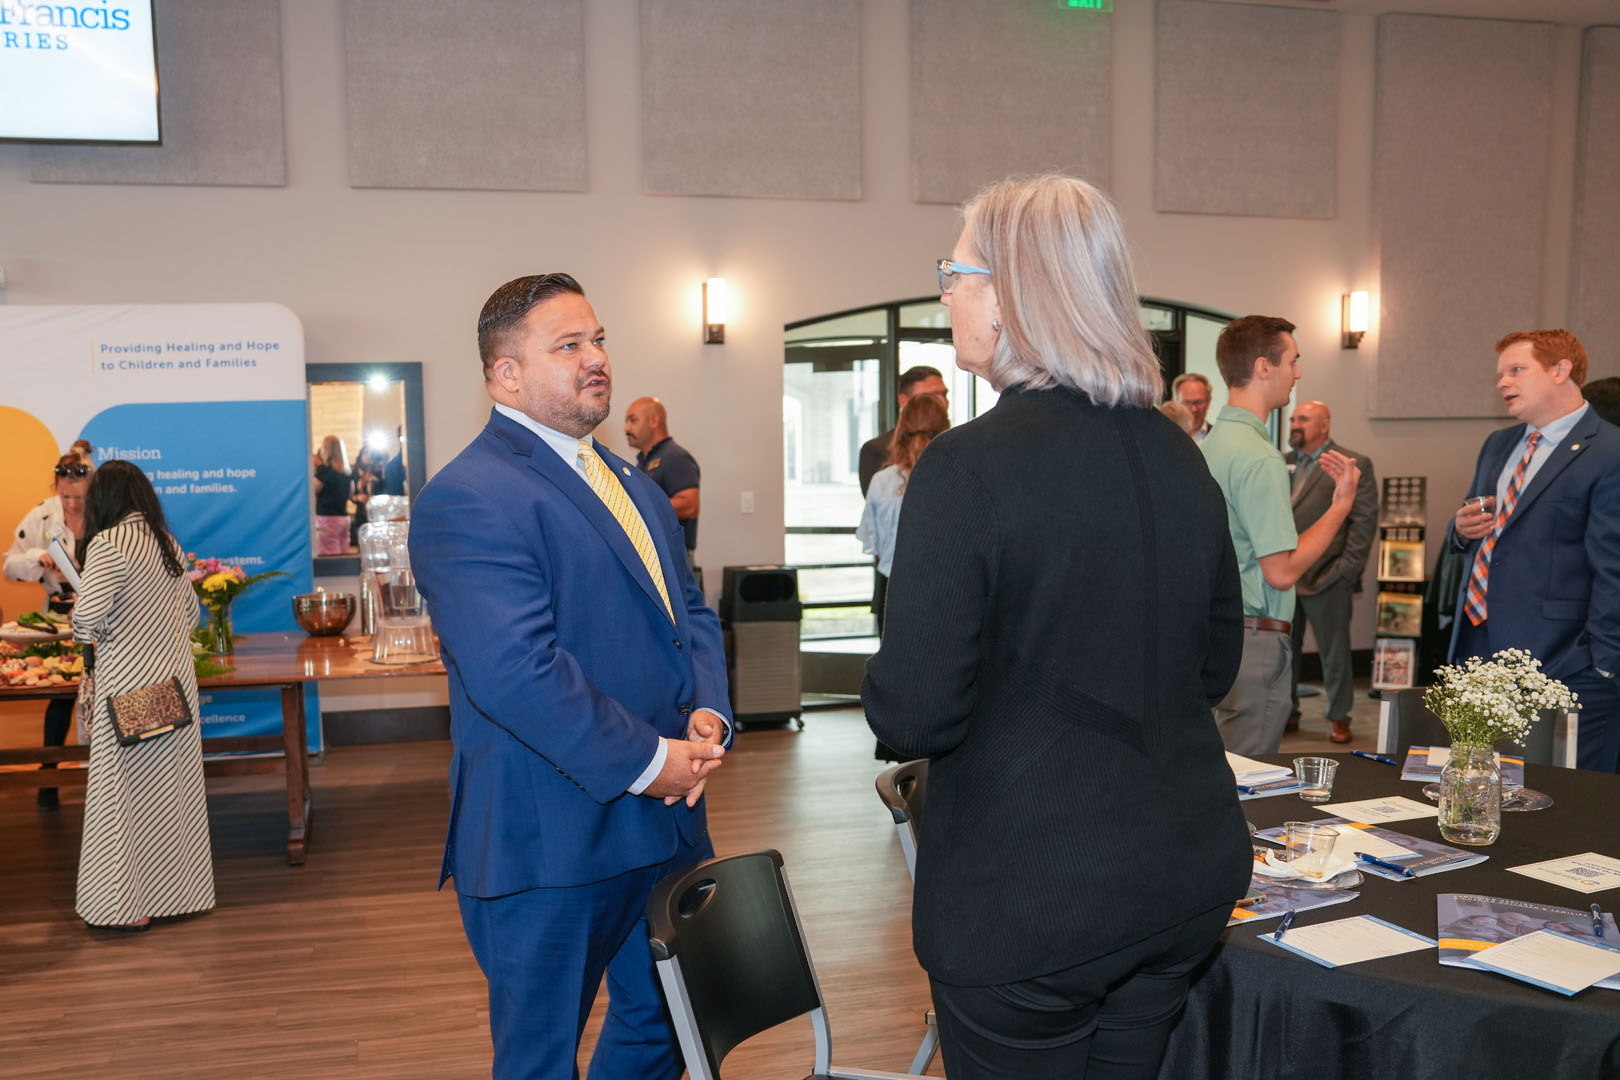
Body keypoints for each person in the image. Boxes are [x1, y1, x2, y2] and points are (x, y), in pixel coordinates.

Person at [863, 175, 1251, 1079]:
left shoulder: (964, 468)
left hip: (1032, 900)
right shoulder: (1177, 452)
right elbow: (1215, 663)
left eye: (954, 270)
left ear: (1009, 292)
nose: (945, 291)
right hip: (1180, 877)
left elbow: (913, 716)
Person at [408, 273, 733, 1080]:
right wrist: (654, 764)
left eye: (598, 340)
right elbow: (518, 673)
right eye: (568, 345)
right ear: (504, 375)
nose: (596, 359)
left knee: (664, 1032)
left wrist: (707, 714)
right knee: (540, 1061)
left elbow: (687, 613)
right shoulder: (468, 496)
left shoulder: (633, 486)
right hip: (550, 842)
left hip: (665, 828)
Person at [1448, 329, 1620, 773]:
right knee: (1476, 786)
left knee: (1560, 801)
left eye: (1516, 370)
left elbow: (1613, 568)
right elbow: (1482, 529)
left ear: (1561, 370)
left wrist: (1604, 666)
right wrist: (1460, 530)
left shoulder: (1609, 452)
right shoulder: (1498, 445)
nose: (1503, 383)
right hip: (1479, 650)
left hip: (1562, 662)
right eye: (1500, 374)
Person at [1201, 316, 1361, 755]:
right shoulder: (1258, 456)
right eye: (1293, 360)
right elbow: (1281, 570)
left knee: (1224, 767)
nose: (1299, 372)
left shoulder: (1213, 444)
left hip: (1219, 632)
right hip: (1254, 639)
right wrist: (1341, 505)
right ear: (1263, 367)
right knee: (1249, 784)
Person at [71, 460, 213, 931]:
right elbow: (192, 616)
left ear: (102, 500)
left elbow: (84, 623)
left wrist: (114, 629)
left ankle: (124, 908)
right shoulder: (165, 542)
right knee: (169, 801)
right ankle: (177, 896)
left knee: (121, 802)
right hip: (172, 692)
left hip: (129, 696)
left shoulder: (109, 545)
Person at [1284, 401, 1377, 744]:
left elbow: (1363, 522)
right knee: (1286, 652)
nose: (1295, 424)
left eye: (1303, 419)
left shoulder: (1352, 463)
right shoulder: (1284, 462)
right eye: (1294, 418)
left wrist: (1345, 571)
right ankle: (1288, 711)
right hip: (1286, 576)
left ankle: (1339, 717)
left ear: (1324, 425)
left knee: (1334, 654)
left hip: (1328, 576)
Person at [4, 452, 93, 811]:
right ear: (56, 489)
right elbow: (10, 566)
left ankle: (108, 778)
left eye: (79, 498)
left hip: (104, 615)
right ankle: (48, 776)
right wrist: (37, 557)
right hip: (60, 617)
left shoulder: (106, 514)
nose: (71, 504)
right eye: (65, 497)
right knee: (62, 695)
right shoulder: (42, 515)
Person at [623, 396, 701, 566]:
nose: (626, 428)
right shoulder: (645, 462)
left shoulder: (675, 457)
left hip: (673, 558)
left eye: (633, 420)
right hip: (655, 557)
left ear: (653, 421)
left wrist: (638, 507)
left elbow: (689, 506)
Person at [858, 365, 948, 496]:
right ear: (904, 401)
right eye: (930, 396)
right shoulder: (876, 450)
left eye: (944, 394)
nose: (943, 402)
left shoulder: (956, 444)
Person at [312, 435, 351, 555]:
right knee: (343, 556)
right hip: (344, 519)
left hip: (327, 519)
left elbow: (312, 490)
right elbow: (351, 493)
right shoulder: (346, 472)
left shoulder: (325, 472)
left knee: (329, 560)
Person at [1172, 372, 1214, 443]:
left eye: (1199, 402)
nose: (1194, 409)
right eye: (1187, 403)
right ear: (1175, 403)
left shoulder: (1219, 438)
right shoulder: (1167, 437)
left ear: (1208, 402)